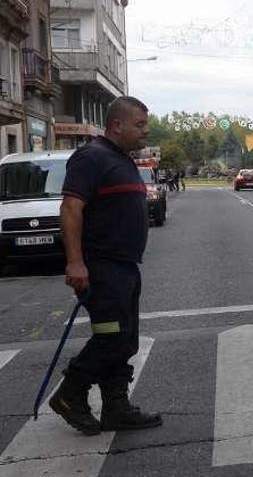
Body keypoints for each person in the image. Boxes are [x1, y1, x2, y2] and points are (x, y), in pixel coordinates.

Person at [53, 96, 163, 436]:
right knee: (111, 337)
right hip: (102, 267)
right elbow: (71, 208)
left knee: (125, 339)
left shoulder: (121, 159)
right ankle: (70, 393)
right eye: (139, 125)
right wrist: (75, 262)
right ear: (116, 125)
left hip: (125, 267)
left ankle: (116, 407)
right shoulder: (92, 157)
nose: (146, 131)